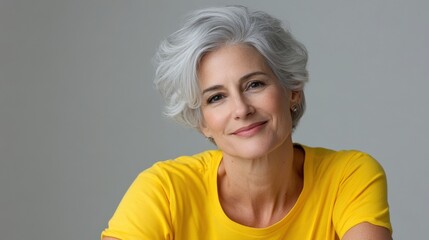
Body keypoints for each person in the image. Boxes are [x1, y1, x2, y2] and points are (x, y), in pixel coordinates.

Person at [101, 5, 392, 240]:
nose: (241, 109)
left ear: (292, 90)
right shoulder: (165, 191)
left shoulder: (348, 177)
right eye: (216, 98)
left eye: (254, 84)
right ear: (202, 121)